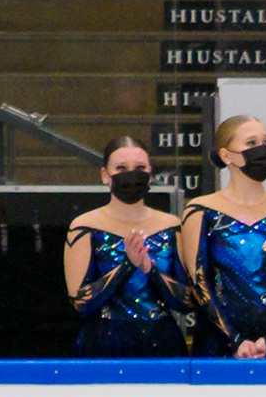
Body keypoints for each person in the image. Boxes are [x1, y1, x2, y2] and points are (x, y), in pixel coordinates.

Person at [180, 115, 266, 359]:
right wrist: (235, 339)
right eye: (251, 143)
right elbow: (200, 282)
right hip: (219, 339)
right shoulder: (200, 211)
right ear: (226, 155)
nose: (262, 149)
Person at [63, 137, 191, 358]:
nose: (131, 175)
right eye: (121, 168)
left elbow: (188, 301)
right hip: (103, 343)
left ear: (150, 173)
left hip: (162, 342)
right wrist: (127, 266)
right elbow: (80, 302)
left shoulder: (172, 226)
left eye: (139, 168)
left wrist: (150, 269)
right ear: (105, 175)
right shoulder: (84, 227)